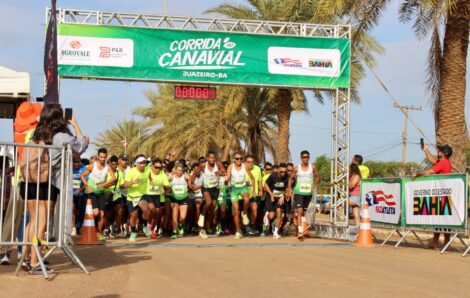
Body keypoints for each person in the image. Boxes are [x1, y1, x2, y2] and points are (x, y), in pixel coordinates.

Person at [21, 103, 88, 274]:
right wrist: (75, 125)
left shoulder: (37, 132)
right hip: (45, 183)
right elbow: (80, 146)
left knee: (32, 221)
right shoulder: (60, 136)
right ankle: (36, 262)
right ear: (59, 117)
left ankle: (26, 256)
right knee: (41, 222)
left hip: (29, 180)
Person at [412, 144, 453, 248]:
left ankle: (445, 241)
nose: (438, 151)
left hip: (444, 195)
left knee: (443, 221)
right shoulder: (443, 162)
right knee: (439, 220)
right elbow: (433, 160)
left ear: (443, 153)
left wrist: (417, 173)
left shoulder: (444, 163)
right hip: (440, 194)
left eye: (440, 150)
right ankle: (435, 241)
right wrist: (426, 151)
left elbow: (430, 171)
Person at [80, 148, 116, 241]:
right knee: (95, 213)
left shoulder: (108, 167)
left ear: (106, 156)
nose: (103, 159)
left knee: (102, 214)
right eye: (101, 157)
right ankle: (86, 227)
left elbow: (114, 178)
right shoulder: (92, 166)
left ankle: (99, 233)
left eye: (104, 157)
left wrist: (103, 185)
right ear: (98, 156)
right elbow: (82, 175)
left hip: (101, 192)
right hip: (92, 192)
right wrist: (87, 185)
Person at [287, 150, 321, 240]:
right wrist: (290, 189)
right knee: (299, 211)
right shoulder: (297, 168)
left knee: (304, 213)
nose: (305, 158)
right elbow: (290, 178)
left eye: (307, 157)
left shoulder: (312, 167)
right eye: (304, 157)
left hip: (308, 193)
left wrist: (315, 184)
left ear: (309, 157)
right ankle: (300, 232)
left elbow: (318, 177)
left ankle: (300, 229)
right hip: (298, 192)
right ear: (301, 158)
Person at [226, 153, 255, 239]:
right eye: (237, 159)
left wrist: (253, 190)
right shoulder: (230, 167)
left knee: (247, 199)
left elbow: (252, 178)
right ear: (233, 159)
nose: (239, 160)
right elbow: (227, 177)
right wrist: (226, 179)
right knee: (236, 212)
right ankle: (238, 231)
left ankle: (244, 213)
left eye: (240, 159)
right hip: (234, 189)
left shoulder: (245, 166)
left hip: (243, 187)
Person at [196, 152, 225, 238]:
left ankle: (207, 226)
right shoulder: (203, 165)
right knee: (208, 203)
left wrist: (219, 173)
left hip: (215, 189)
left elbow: (224, 172)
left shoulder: (218, 164)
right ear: (207, 158)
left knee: (212, 209)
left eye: (213, 158)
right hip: (205, 187)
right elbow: (195, 173)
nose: (212, 159)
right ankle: (202, 216)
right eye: (210, 158)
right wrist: (193, 178)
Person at [123, 155, 151, 242]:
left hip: (143, 195)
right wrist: (133, 182)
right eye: (141, 163)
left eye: (144, 163)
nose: (143, 165)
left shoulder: (148, 170)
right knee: (133, 216)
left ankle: (144, 226)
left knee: (145, 209)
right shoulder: (131, 172)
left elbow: (152, 176)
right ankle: (133, 232)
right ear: (137, 164)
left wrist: (153, 181)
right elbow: (125, 185)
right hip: (132, 197)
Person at [264, 163, 289, 239]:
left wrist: (283, 196)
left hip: (280, 198)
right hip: (270, 196)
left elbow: (288, 188)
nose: (283, 173)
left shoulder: (288, 177)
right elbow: (265, 185)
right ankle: (267, 216)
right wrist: (271, 194)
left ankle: (275, 232)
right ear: (278, 170)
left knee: (279, 213)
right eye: (281, 172)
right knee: (272, 215)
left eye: (285, 172)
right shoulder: (273, 175)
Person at [146, 158, 170, 239]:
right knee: (152, 210)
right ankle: (148, 225)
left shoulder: (163, 174)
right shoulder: (147, 171)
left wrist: (164, 187)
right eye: (156, 167)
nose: (158, 169)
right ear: (152, 166)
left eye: (160, 168)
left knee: (157, 213)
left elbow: (168, 188)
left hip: (157, 195)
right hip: (147, 194)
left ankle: (151, 230)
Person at [168, 163, 193, 239]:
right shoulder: (171, 177)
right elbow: (166, 184)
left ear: (183, 171)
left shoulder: (185, 176)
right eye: (178, 170)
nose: (179, 172)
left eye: (181, 170)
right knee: (174, 216)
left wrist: (189, 181)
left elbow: (190, 181)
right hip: (174, 198)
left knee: (182, 217)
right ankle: (174, 232)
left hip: (184, 198)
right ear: (175, 170)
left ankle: (179, 225)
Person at [245, 155, 263, 235]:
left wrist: (261, 190)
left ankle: (251, 227)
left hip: (254, 193)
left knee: (254, 209)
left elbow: (259, 181)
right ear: (245, 162)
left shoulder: (257, 169)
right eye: (248, 162)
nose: (250, 163)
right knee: (243, 211)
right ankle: (244, 227)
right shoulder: (242, 169)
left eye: (252, 162)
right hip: (242, 194)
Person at [72, 153, 87, 236]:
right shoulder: (68, 168)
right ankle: (73, 227)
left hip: (81, 193)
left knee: (81, 212)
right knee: (72, 209)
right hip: (71, 193)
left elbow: (86, 182)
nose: (77, 163)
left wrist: (80, 189)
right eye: (75, 161)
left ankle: (79, 227)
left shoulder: (84, 168)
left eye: (78, 162)